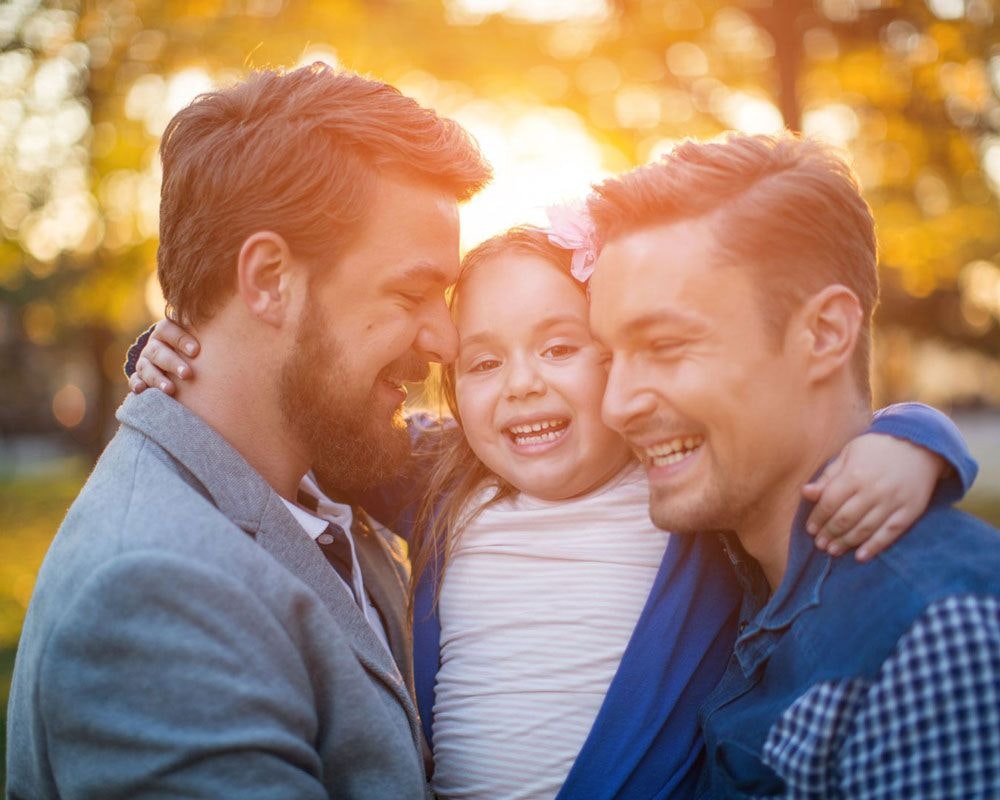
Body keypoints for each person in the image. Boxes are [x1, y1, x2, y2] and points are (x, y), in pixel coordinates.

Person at [129, 225, 976, 800]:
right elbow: (305, 420)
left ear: (621, 359)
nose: (523, 383)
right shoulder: (441, 477)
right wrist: (172, 356)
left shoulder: (679, 487)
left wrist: (913, 437)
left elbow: (787, 445)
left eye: (561, 347)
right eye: (485, 361)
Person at [5, 63, 491, 799]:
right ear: (267, 278)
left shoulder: (318, 471)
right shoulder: (155, 595)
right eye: (410, 292)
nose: (446, 341)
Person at [587, 132, 1000, 798]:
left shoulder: (934, 632)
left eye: (663, 346)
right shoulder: (718, 574)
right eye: (608, 358)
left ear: (824, 335)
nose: (615, 406)